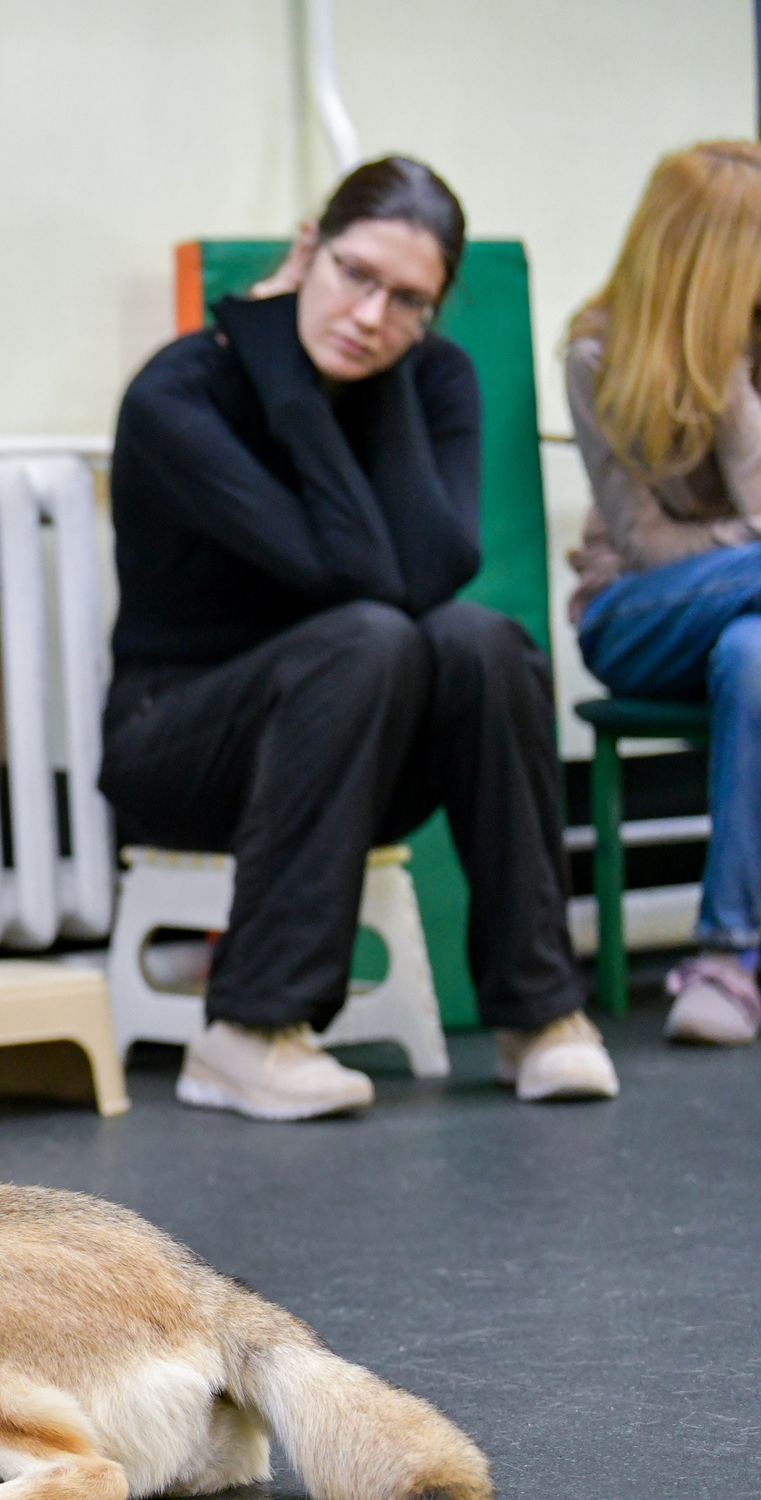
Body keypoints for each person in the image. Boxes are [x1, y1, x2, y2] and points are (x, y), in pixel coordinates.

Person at [101, 155, 616, 1120]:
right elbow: (350, 576)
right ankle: (246, 1032)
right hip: (177, 744)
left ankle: (540, 1014)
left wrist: (379, 387)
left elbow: (433, 569)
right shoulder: (181, 395)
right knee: (368, 636)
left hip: (353, 738)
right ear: (308, 250)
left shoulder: (433, 378)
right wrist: (286, 380)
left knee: (483, 643)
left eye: (409, 301)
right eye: (356, 275)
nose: (372, 316)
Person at [567, 141, 761, 1046]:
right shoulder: (598, 353)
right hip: (637, 616)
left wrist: (735, 388)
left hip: (742, 625)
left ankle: (728, 958)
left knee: (754, 656)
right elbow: (645, 547)